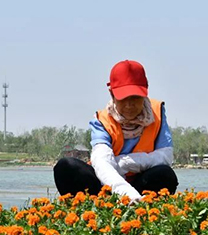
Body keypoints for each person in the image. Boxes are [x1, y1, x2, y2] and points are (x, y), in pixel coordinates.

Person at [54, 60, 178, 202]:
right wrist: (126, 193)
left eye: (135, 97)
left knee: (164, 174)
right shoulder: (102, 120)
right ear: (111, 93)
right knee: (66, 167)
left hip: (142, 182)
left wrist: (126, 163)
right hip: (105, 184)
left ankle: (143, 206)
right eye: (123, 98)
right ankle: (98, 206)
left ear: (145, 92)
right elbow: (102, 162)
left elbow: (165, 156)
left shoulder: (158, 112)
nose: (129, 105)